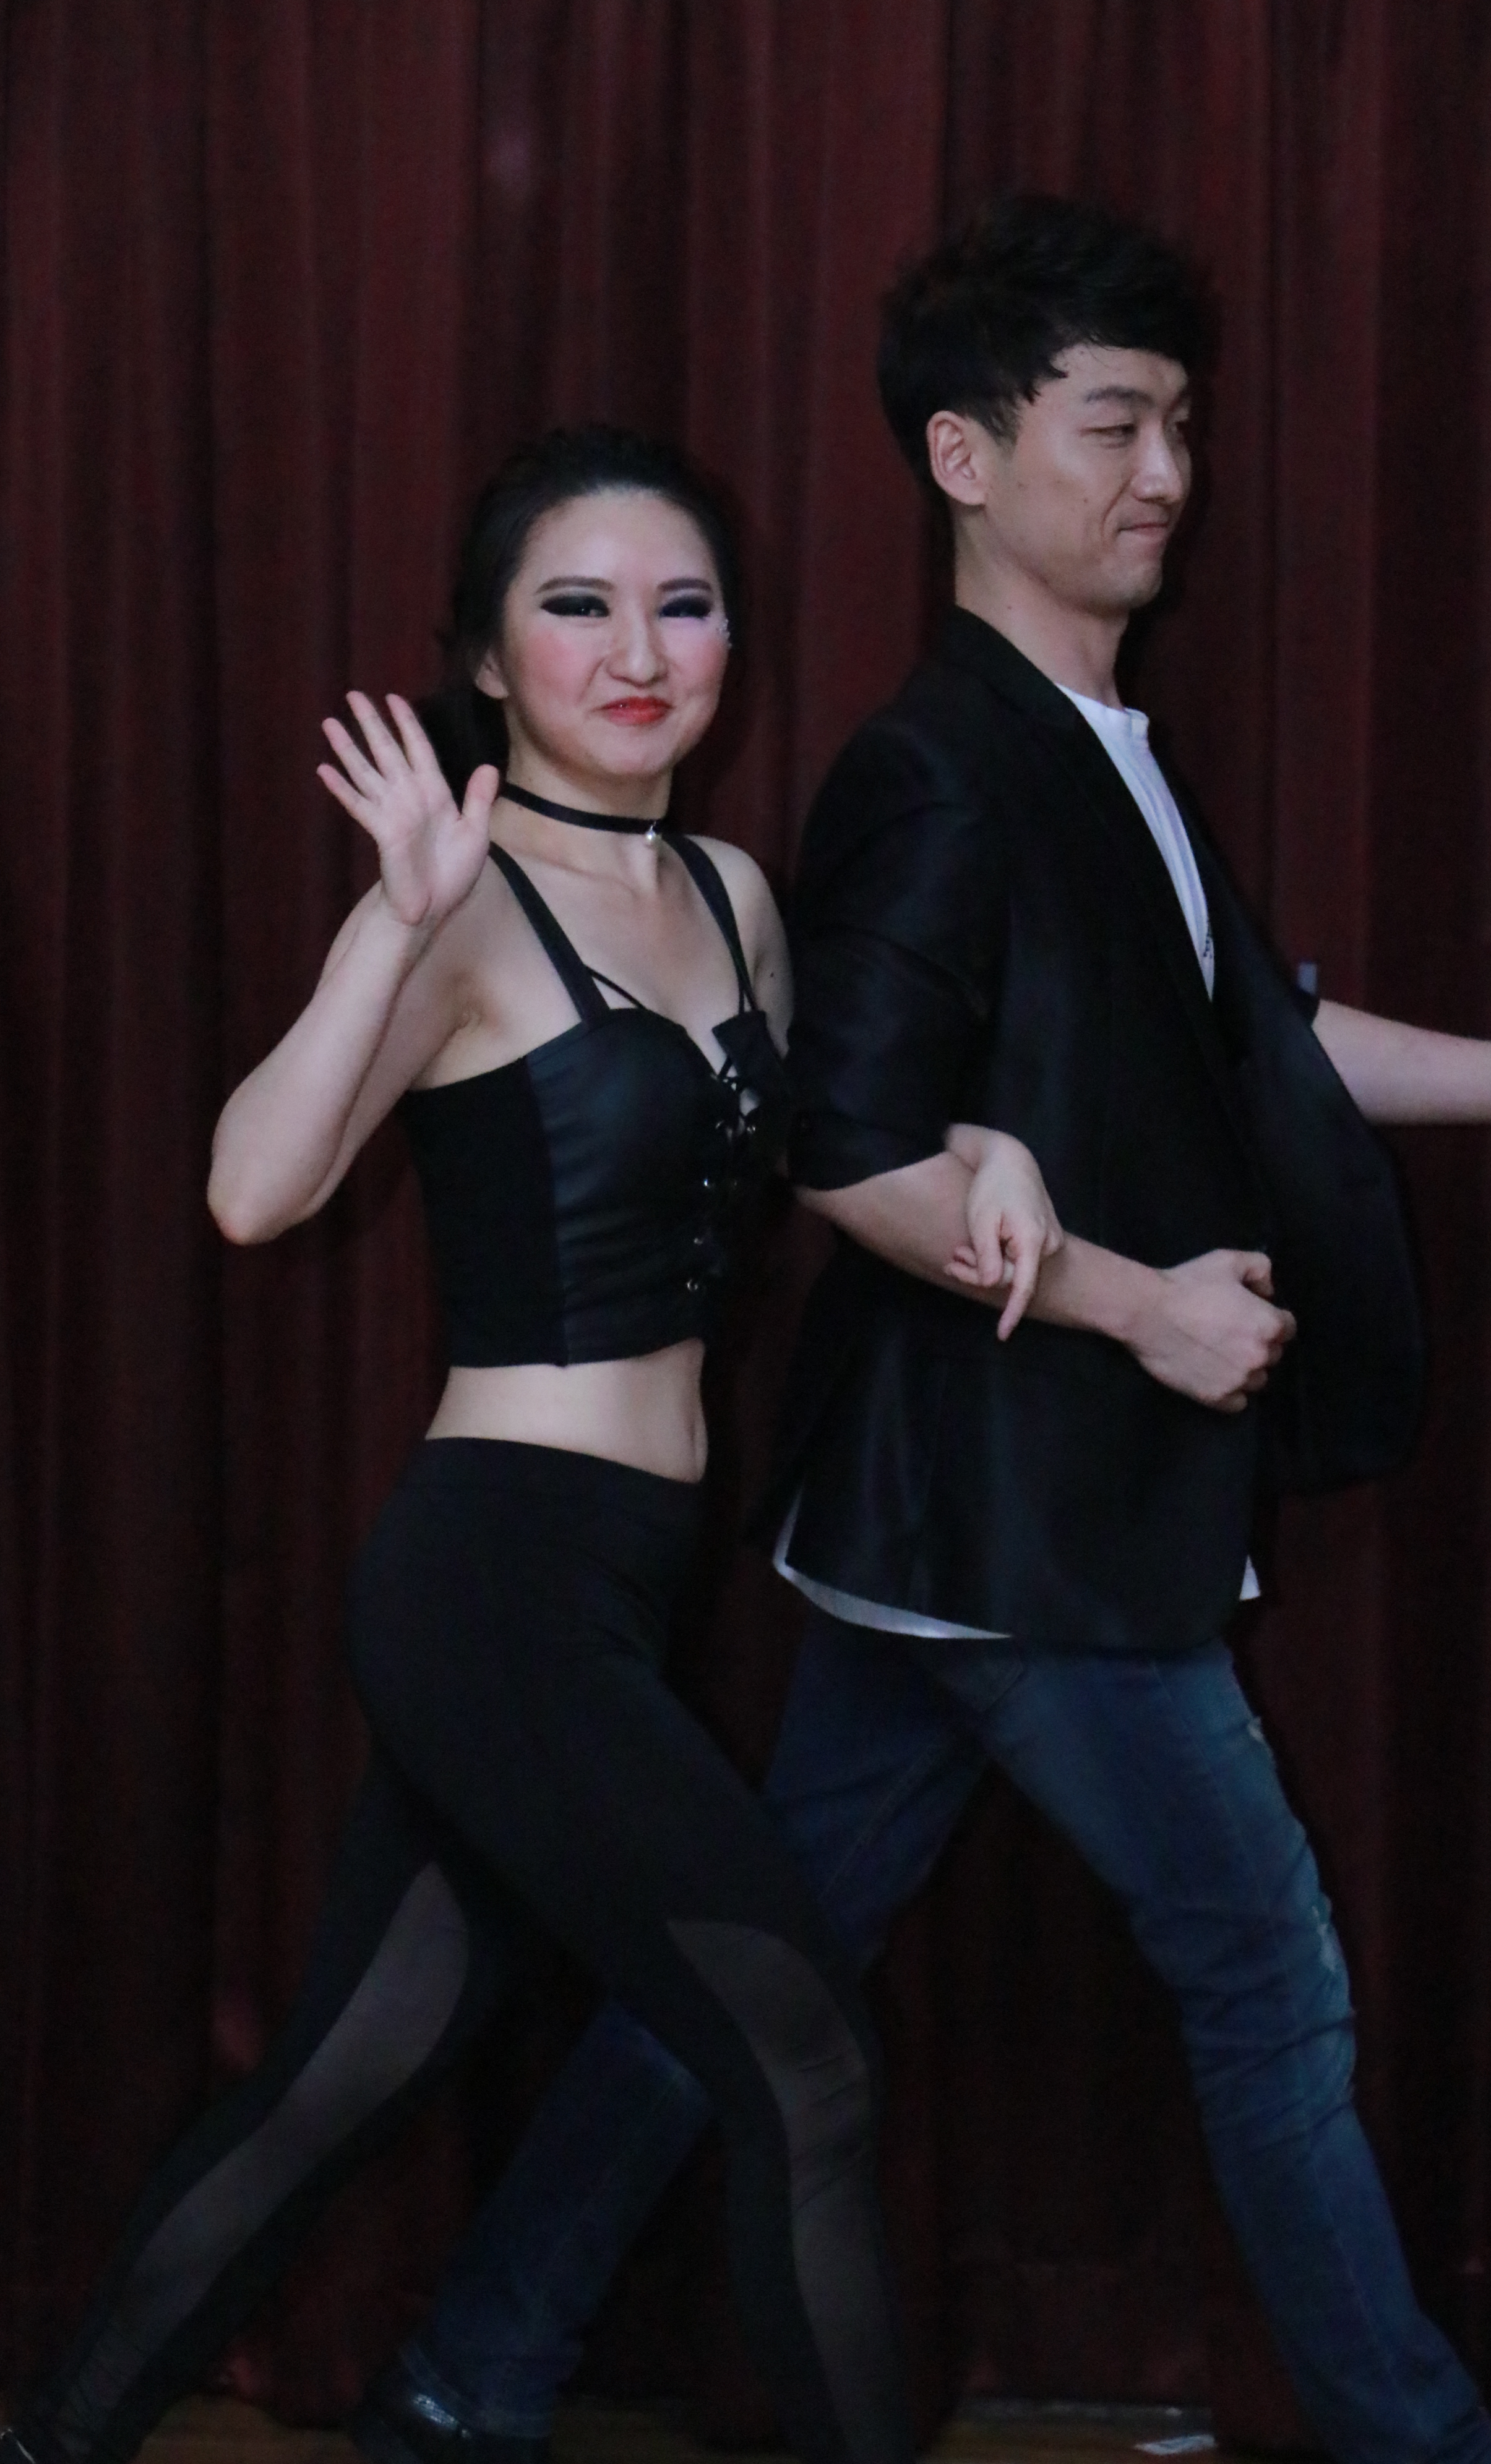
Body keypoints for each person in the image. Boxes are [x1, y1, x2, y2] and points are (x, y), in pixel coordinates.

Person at [340, 203, 1491, 2464]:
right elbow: (844, 1145)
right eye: (1114, 426)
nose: (1167, 476)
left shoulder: (1103, 747)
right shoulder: (939, 765)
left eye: (1181, 427)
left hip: (936, 1521)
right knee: (1265, 1980)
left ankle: (473, 2366)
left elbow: (1258, 1039)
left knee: (757, 1974)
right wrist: (1140, 1307)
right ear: (965, 456)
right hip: (1024, 1516)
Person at [1, 424, 1060, 2464]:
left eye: (684, 605)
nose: (639, 652)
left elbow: (828, 1155)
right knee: (808, 2063)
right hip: (492, 1577)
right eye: (578, 607)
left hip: (628, 1581)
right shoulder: (468, 907)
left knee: (345, 2074)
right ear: (490, 658)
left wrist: (990, 1148)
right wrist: (392, 925)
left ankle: (58, 2433)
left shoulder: (734, 898)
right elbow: (251, 1188)